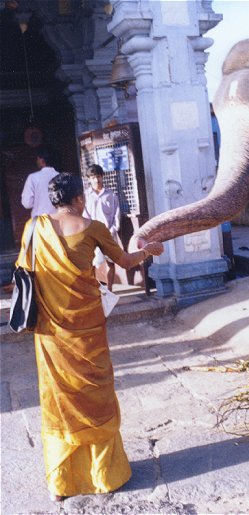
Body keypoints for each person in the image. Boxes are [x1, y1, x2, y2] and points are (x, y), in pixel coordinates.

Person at [16, 173, 163, 502]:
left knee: (58, 399)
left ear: (54, 200)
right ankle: (105, 475)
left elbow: (24, 271)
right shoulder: (93, 227)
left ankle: (62, 482)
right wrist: (149, 250)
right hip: (88, 331)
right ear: (79, 199)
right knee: (95, 394)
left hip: (51, 333)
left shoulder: (33, 229)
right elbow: (124, 260)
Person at [84, 164, 121, 290]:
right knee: (93, 264)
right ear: (89, 179)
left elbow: (116, 215)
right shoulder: (86, 197)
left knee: (111, 263)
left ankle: (110, 290)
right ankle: (95, 290)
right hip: (93, 236)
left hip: (109, 234)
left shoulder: (111, 195)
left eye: (98, 177)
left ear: (102, 177)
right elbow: (85, 216)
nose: (96, 180)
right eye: (93, 177)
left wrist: (112, 230)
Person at [21, 145, 59, 216]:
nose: (37, 161)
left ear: (42, 160)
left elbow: (27, 203)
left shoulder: (33, 177)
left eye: (37, 159)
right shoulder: (61, 176)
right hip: (59, 221)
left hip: (40, 221)